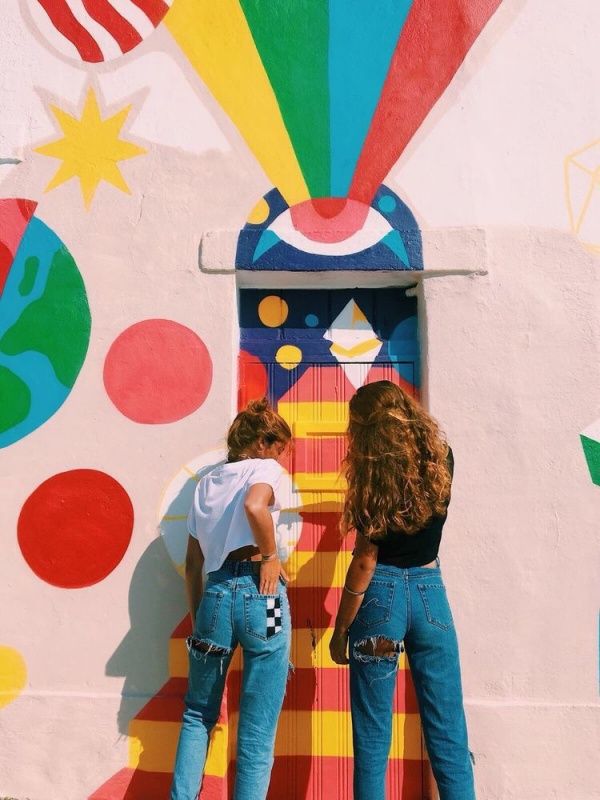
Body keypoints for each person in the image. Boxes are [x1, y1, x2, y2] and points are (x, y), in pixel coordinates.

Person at [329, 380, 475, 800]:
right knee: (448, 733)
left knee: (373, 740)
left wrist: (342, 627)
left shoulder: (371, 470)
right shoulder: (440, 458)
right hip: (432, 593)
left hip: (380, 598)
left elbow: (364, 560)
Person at [170, 399, 292, 800]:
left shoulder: (206, 482)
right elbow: (255, 505)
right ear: (262, 442)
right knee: (257, 726)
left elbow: (193, 563)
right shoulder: (266, 469)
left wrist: (199, 616)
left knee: (197, 714)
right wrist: (270, 556)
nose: (282, 457)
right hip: (266, 597)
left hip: (216, 596)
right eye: (280, 447)